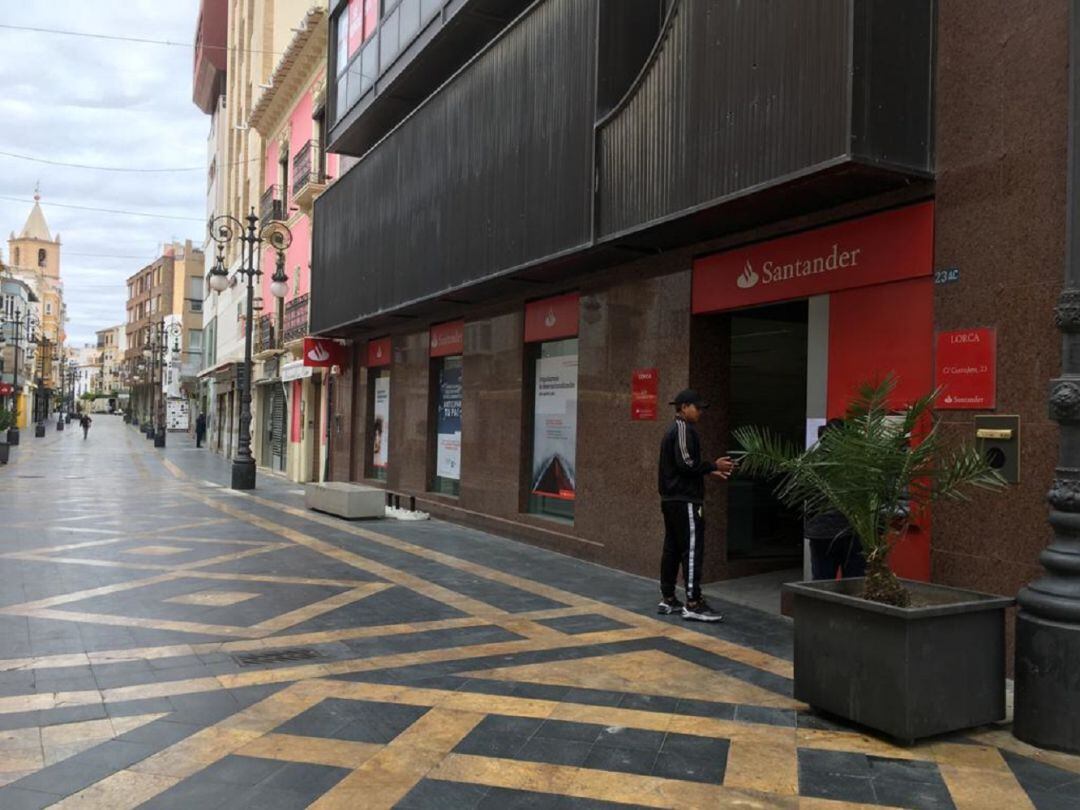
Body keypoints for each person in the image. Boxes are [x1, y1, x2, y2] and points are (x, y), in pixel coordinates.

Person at [657, 389, 736, 622]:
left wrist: (710, 470)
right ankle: (693, 602)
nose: (700, 411)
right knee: (691, 549)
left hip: (673, 500)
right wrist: (712, 466)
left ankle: (669, 598)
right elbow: (686, 463)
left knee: (672, 548)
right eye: (697, 407)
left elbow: (686, 466)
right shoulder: (681, 428)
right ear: (683, 407)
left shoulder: (679, 429)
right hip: (684, 500)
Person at [804, 418, 866, 579]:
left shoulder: (811, 461)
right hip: (850, 531)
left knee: (822, 580)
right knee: (854, 582)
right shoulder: (857, 462)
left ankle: (822, 604)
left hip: (821, 532)